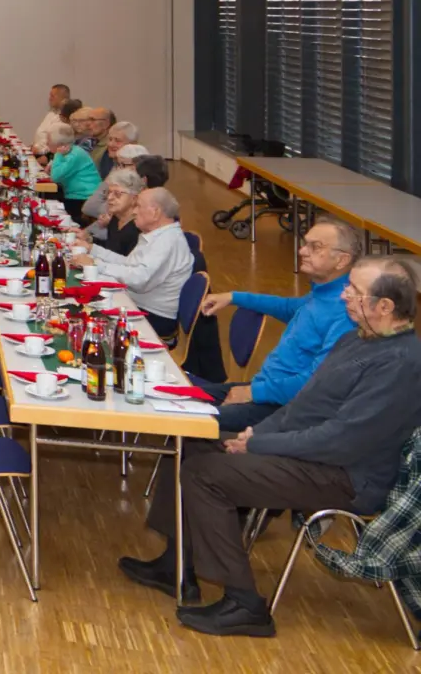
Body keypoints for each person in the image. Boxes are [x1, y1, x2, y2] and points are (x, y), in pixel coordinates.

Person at [120, 255, 421, 637]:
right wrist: (253, 435)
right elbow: (305, 405)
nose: (344, 294)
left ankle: (244, 603)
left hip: (348, 478)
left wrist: (261, 443)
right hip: (313, 455)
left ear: (385, 307)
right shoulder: (357, 337)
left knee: (205, 475)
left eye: (354, 290)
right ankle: (178, 564)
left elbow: (342, 440)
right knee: (193, 437)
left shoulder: (399, 364)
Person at [197, 220, 361, 431]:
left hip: (281, 407)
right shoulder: (322, 295)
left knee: (191, 420)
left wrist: (252, 393)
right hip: (264, 390)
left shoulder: (345, 312)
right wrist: (233, 297)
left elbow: (316, 383)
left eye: (315, 246)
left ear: (341, 260)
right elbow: (286, 307)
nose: (302, 251)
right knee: (179, 400)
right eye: (304, 244)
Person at [70, 187, 193, 334]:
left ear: (155, 212)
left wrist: (96, 265)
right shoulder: (157, 234)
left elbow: (139, 279)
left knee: (82, 318)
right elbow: (128, 263)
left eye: (138, 206)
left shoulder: (167, 241)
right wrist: (93, 250)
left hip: (153, 317)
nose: (134, 212)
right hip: (137, 303)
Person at [43, 122, 102, 224]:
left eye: (48, 140)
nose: (46, 143)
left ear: (59, 145)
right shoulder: (72, 151)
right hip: (76, 195)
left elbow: (55, 177)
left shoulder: (75, 155)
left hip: (83, 199)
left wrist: (58, 155)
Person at [84, 143, 151, 221]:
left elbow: (91, 209)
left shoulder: (137, 192)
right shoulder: (117, 184)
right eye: (117, 164)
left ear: (138, 166)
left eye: (123, 165)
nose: (118, 169)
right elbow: (89, 208)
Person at [86, 168, 144, 257]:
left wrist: (90, 248)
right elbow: (111, 248)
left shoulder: (138, 227)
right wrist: (89, 239)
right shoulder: (116, 218)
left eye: (117, 194)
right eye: (108, 192)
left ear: (134, 198)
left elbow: (126, 262)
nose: (109, 197)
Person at [33, 83, 71, 151]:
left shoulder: (65, 118)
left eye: (52, 96)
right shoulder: (51, 113)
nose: (50, 98)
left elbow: (58, 143)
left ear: (62, 97)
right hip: (37, 151)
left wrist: (44, 154)